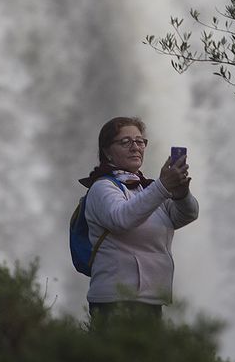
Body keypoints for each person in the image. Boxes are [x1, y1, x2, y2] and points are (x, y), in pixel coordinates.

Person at [80, 115, 198, 325]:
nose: (135, 147)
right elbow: (121, 219)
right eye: (125, 142)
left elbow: (186, 215)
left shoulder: (146, 188)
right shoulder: (102, 187)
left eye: (139, 141)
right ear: (107, 151)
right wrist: (162, 187)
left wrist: (181, 193)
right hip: (115, 299)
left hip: (150, 298)